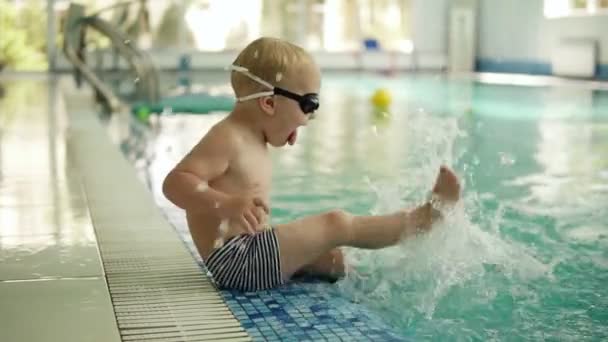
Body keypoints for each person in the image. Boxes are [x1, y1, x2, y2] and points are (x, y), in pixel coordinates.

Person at [162, 37, 460, 292]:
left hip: (249, 254)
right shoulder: (227, 138)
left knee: (331, 257)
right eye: (309, 104)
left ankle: (370, 288)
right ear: (269, 103)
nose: (311, 117)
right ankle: (423, 219)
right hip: (238, 263)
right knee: (336, 224)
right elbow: (174, 183)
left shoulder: (250, 136)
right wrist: (224, 204)